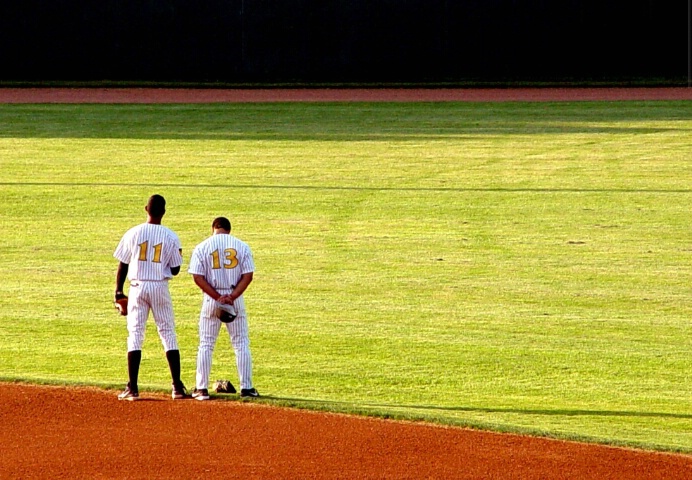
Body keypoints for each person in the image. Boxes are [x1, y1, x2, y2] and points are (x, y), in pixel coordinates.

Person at [113, 194, 188, 401]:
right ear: (164, 212)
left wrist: (118, 292)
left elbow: (123, 263)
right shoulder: (171, 236)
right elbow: (175, 269)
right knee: (168, 332)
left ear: (146, 208)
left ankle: (133, 387)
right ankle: (177, 387)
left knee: (135, 333)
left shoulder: (133, 232)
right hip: (160, 287)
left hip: (137, 286)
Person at [188, 216, 258, 401]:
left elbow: (197, 277)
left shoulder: (202, 246)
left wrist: (217, 296)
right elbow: (248, 275)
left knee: (206, 344)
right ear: (229, 229)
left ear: (213, 228)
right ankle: (247, 387)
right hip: (235, 300)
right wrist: (232, 297)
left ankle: (201, 389)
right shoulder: (241, 246)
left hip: (212, 299)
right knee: (241, 342)